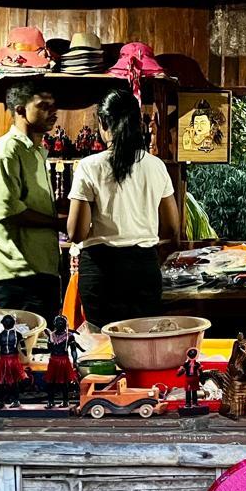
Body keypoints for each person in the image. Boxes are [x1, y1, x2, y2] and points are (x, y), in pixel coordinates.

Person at [67, 89, 180, 327]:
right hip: (143, 270)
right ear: (138, 123)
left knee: (103, 345)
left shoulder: (89, 167)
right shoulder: (155, 166)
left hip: (101, 271)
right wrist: (141, 232)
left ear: (102, 123)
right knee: (142, 344)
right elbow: (171, 226)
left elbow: (75, 233)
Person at [0, 83, 63, 319]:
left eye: (54, 107)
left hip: (38, 271)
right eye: (43, 106)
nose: (53, 113)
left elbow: (30, 204)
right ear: (20, 110)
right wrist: (59, 223)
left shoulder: (34, 152)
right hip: (16, 275)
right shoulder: (6, 151)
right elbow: (9, 211)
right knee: (17, 349)